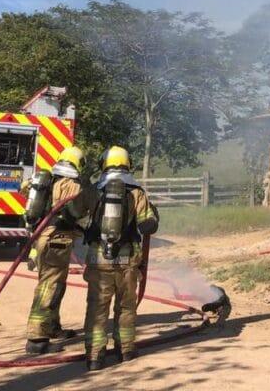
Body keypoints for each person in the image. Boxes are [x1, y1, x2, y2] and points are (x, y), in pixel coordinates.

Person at [83, 146, 158, 371]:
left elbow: (76, 216)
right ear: (128, 163)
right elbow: (148, 226)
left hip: (99, 260)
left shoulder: (95, 190)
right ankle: (125, 350)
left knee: (97, 308)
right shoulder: (136, 191)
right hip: (127, 261)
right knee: (126, 307)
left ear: (104, 164)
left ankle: (95, 356)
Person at [25, 145, 93, 355]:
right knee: (50, 285)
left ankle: (53, 327)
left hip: (41, 235)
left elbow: (24, 187)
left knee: (53, 282)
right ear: (78, 163)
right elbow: (84, 208)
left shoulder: (45, 179)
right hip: (59, 237)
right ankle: (36, 337)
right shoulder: (72, 184)